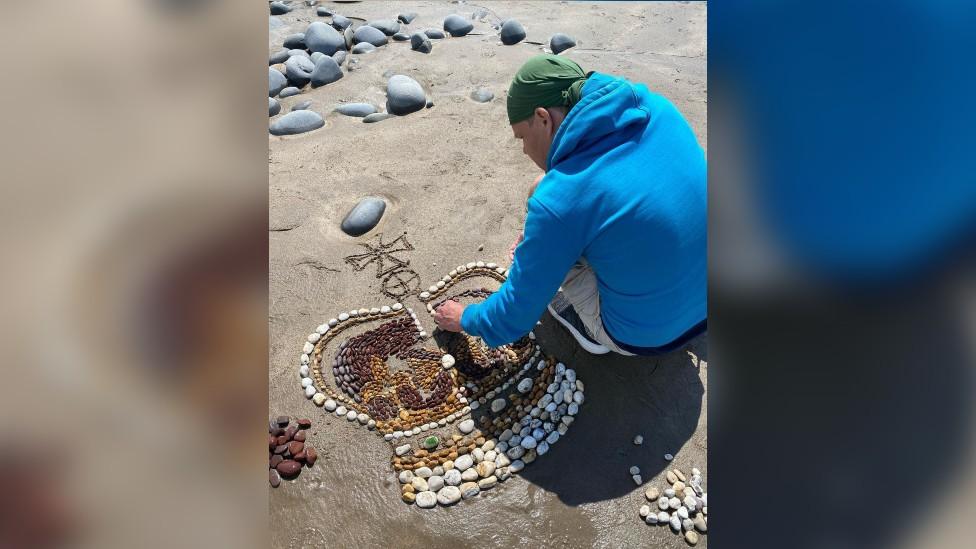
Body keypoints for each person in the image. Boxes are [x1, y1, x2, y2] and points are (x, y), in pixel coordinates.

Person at [433, 55, 706, 356]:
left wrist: (464, 318)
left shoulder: (561, 199)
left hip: (645, 337)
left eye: (522, 136)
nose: (524, 149)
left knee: (544, 212)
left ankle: (589, 329)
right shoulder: (660, 109)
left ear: (543, 118)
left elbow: (514, 317)